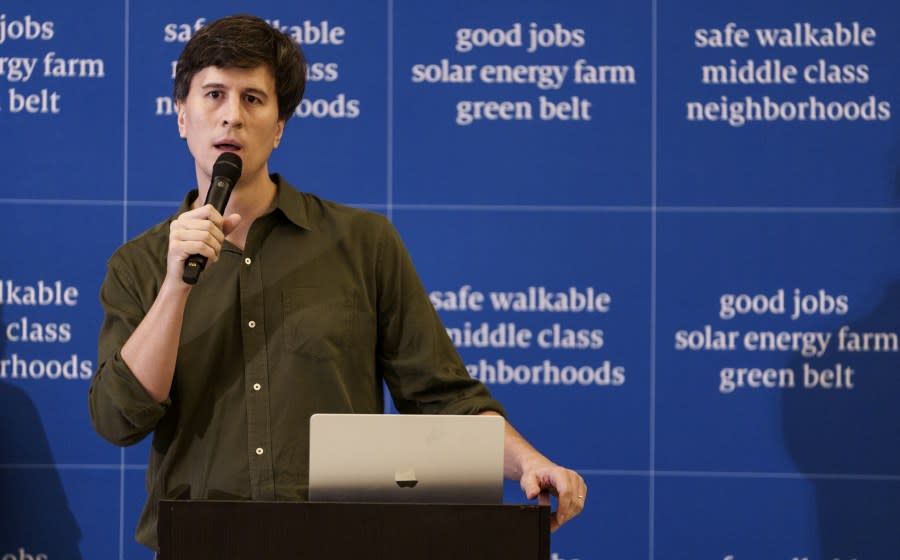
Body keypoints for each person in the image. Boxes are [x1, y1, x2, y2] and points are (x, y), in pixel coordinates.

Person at [88, 14, 586, 552]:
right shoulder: (140, 263)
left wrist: (528, 461)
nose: (232, 117)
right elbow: (119, 418)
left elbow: (445, 398)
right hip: (203, 542)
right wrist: (176, 286)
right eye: (214, 94)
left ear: (279, 127)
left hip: (341, 541)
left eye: (254, 99)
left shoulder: (363, 242)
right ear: (181, 115)